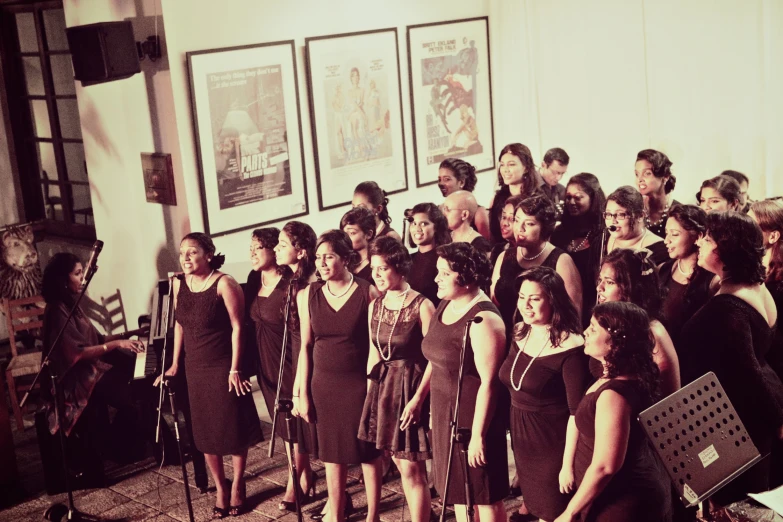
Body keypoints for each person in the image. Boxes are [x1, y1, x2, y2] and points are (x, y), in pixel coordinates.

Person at [679, 211, 783, 505]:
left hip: (736, 427)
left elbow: (749, 372)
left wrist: (777, 420)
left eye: (707, 238)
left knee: (735, 507)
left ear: (726, 249)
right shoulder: (756, 287)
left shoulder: (729, 308)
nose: (699, 242)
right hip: (743, 419)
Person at [161, 233, 262, 518]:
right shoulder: (179, 283)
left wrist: (235, 368)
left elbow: (238, 328)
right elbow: (179, 325)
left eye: (193, 252)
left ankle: (239, 483)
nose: (186, 258)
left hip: (221, 366)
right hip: (195, 368)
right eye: (183, 253)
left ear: (209, 254)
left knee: (232, 428)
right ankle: (221, 487)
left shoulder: (225, 283)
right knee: (205, 433)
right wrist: (175, 364)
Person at [293, 230, 382, 522]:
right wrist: (302, 393)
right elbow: (305, 346)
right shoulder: (307, 294)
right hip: (323, 384)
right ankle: (337, 512)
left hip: (357, 383)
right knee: (331, 452)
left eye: (328, 256)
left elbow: (375, 345)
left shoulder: (367, 291)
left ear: (345, 258)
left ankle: (373, 515)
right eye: (318, 257)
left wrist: (372, 387)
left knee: (367, 451)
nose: (322, 263)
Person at [554, 301, 671, 522]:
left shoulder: (614, 396)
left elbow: (605, 466)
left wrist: (569, 512)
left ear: (616, 341)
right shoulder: (613, 376)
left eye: (594, 328)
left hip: (623, 504)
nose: (585, 332)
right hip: (612, 496)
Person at [421, 242, 508, 522]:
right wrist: (418, 401)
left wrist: (478, 436)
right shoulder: (445, 304)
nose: (437, 279)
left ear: (467, 276)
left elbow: (489, 383)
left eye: (444, 274)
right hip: (446, 414)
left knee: (484, 495)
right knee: (457, 491)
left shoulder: (484, 319)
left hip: (473, 419)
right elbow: (436, 359)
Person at [499, 267, 588, 522]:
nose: (525, 305)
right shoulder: (519, 331)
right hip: (524, 441)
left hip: (553, 446)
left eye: (535, 298)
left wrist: (567, 466)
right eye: (522, 297)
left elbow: (576, 414)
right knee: (537, 508)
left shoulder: (571, 347)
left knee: (554, 512)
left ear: (553, 300)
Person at [358, 237, 436, 522]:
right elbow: (373, 354)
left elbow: (434, 358)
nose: (376, 275)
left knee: (413, 467)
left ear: (400, 268)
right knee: (399, 463)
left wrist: (417, 401)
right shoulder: (375, 305)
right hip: (384, 388)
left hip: (411, 388)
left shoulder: (422, 305)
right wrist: (371, 398)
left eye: (383, 269)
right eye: (374, 269)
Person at [41, 252, 147, 460]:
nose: (83, 278)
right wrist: (117, 344)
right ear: (63, 280)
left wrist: (130, 334)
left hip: (89, 370)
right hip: (76, 380)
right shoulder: (56, 310)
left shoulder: (71, 304)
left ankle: (126, 444)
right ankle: (119, 447)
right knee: (131, 395)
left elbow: (98, 339)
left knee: (135, 380)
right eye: (77, 274)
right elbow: (78, 353)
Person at [246, 226, 317, 511]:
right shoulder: (254, 278)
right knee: (283, 424)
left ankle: (293, 480)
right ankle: (305, 475)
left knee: (295, 425)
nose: (252, 254)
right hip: (265, 361)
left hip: (287, 359)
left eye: (258, 248)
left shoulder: (293, 281)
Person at [596, 249, 680, 397]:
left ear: (630, 286)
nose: (599, 288)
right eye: (600, 280)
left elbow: (671, 396)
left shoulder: (653, 330)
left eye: (609, 282)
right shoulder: (611, 322)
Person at [492, 194, 583, 330]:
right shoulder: (504, 256)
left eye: (529, 223)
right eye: (516, 220)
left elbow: (573, 316)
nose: (519, 228)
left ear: (544, 227)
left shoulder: (561, 261)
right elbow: (493, 303)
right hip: (503, 334)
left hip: (544, 341)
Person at [551, 173, 607, 326]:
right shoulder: (559, 233)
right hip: (561, 305)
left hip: (592, 305)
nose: (571, 202)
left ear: (593, 198)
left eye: (578, 197)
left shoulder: (603, 235)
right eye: (568, 197)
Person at [658, 205, 715, 347]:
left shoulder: (713, 280)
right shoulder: (662, 270)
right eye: (666, 233)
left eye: (675, 234)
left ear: (698, 236)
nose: (667, 240)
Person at [488, 143, 541, 244]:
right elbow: (494, 236)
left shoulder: (537, 199)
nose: (505, 170)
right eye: (502, 165)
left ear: (526, 167)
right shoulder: (498, 199)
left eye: (511, 164)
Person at [604, 186, 667, 265]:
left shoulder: (660, 251)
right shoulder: (602, 240)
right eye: (609, 214)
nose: (613, 221)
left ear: (640, 216)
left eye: (620, 214)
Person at [406, 202, 452, 308]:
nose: (417, 228)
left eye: (423, 224)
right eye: (414, 223)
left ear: (436, 227)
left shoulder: (444, 260)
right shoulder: (408, 259)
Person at [438, 157, 491, 239]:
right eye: (439, 179)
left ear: (461, 182)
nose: (441, 183)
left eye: (447, 179)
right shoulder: (440, 209)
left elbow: (486, 246)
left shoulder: (478, 213)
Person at [634, 149, 678, 238]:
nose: (640, 179)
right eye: (637, 174)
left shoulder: (678, 211)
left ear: (665, 177)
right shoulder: (634, 209)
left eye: (647, 173)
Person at [443, 189, 493, 255]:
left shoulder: (480, 245)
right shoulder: (445, 237)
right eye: (443, 209)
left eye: (448, 210)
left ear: (464, 215)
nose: (443, 214)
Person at [340, 206, 377, 284]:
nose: (346, 238)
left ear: (369, 234)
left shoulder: (377, 262)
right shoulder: (345, 261)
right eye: (345, 233)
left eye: (352, 233)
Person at [489, 194, 524, 265]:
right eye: (504, 217)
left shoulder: (530, 255)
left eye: (512, 219)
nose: (505, 223)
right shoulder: (498, 249)